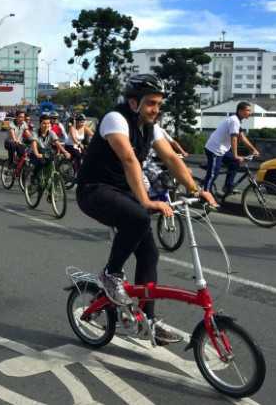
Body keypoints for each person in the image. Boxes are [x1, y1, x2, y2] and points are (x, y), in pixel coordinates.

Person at [76, 74, 216, 345]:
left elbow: (172, 158)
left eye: (159, 104)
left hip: (123, 192)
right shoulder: (115, 119)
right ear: (133, 102)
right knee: (139, 216)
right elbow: (129, 158)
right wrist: (146, 201)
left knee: (150, 255)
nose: (156, 109)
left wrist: (196, 190)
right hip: (94, 190)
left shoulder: (151, 128)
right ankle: (110, 273)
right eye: (151, 103)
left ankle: (147, 321)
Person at [203, 102, 260, 195]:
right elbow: (234, 139)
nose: (250, 112)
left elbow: (242, 137)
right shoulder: (234, 121)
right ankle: (205, 196)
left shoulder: (237, 121)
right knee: (213, 174)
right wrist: (236, 155)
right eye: (248, 110)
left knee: (235, 163)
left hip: (222, 150)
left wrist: (253, 150)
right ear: (240, 111)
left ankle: (228, 187)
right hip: (214, 149)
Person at [30, 115, 71, 182]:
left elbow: (57, 143)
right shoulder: (35, 133)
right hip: (36, 153)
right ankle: (34, 176)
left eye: (48, 123)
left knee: (53, 163)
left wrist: (65, 152)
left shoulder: (51, 133)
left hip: (46, 153)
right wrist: (37, 154)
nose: (46, 125)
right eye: (44, 123)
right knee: (41, 162)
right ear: (40, 124)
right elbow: (34, 144)